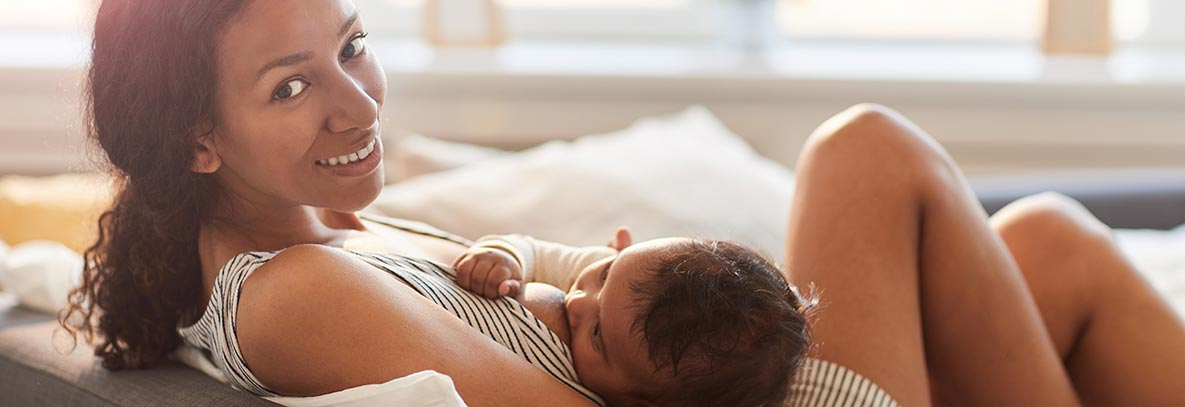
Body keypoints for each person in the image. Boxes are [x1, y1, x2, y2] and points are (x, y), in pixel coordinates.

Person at [58, 0, 1185, 405]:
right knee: (865, 151)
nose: (358, 106)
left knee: (1044, 238)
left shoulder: (331, 226)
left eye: (352, 45)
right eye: (293, 85)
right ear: (197, 136)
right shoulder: (291, 291)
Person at [450, 229, 814, 407]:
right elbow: (535, 251)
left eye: (596, 335)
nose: (577, 301)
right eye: (606, 274)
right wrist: (503, 255)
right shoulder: (613, 273)